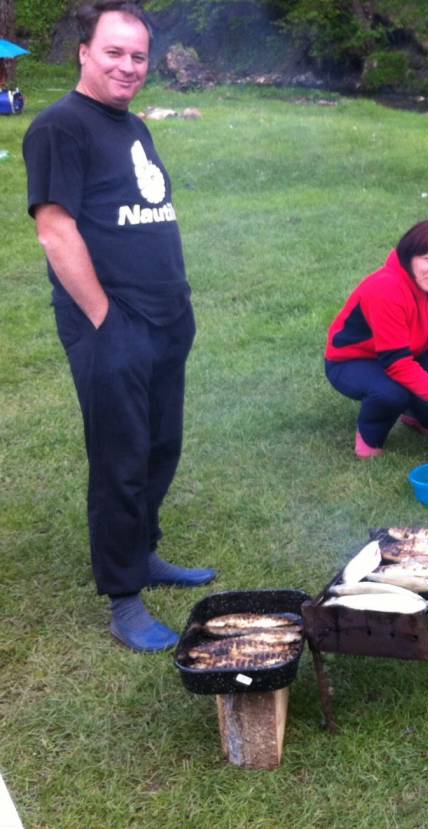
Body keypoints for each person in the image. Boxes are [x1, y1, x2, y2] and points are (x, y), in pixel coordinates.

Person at [23, 2, 215, 653]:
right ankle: (124, 597)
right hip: (113, 323)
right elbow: (55, 230)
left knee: (160, 444)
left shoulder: (130, 125)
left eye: (138, 56)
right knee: (120, 457)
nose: (128, 66)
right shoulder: (60, 127)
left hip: (166, 318)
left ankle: (144, 552)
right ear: (85, 52)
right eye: (114, 52)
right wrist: (105, 319)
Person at [325, 220, 428, 456]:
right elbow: (397, 364)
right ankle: (370, 436)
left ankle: (421, 418)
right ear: (409, 258)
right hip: (352, 360)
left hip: (411, 350)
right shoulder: (385, 288)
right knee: (392, 393)